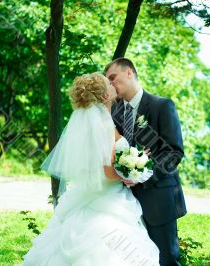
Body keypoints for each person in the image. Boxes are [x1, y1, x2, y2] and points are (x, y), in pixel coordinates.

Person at [23, 72, 160, 265]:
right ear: (105, 95)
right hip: (108, 198)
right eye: (108, 84)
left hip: (87, 194)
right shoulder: (104, 124)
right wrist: (133, 172)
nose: (113, 85)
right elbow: (106, 171)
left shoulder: (88, 123)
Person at [105, 58, 187, 266]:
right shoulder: (112, 112)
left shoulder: (162, 106)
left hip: (158, 197)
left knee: (166, 259)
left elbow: (174, 153)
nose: (110, 84)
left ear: (130, 72)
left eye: (113, 77)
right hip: (123, 203)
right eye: (107, 80)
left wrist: (143, 173)